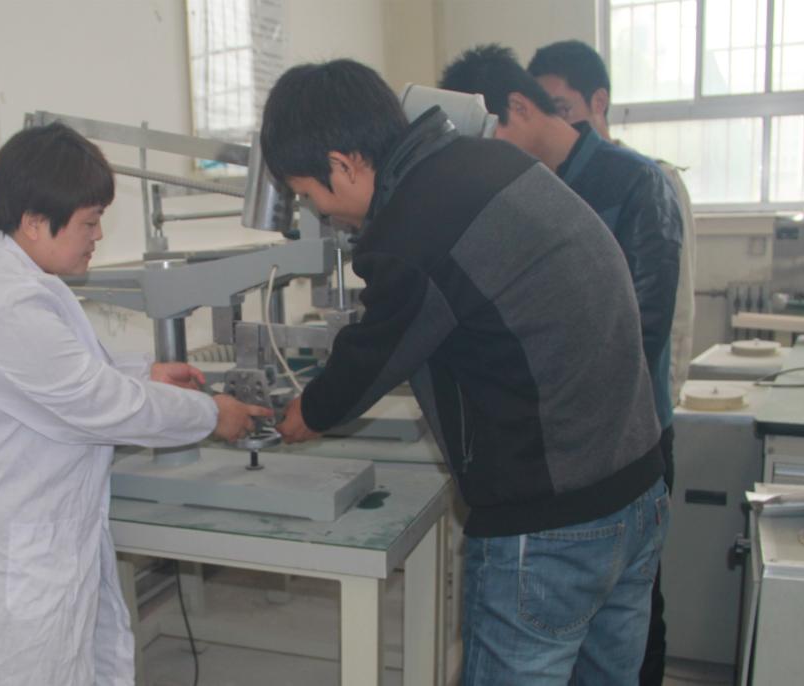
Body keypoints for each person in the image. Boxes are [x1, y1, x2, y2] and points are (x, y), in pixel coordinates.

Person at [263, 58, 669, 685]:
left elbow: (372, 355)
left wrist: (305, 413)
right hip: (637, 487)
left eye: (308, 194)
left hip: (551, 524)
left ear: (342, 164)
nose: (319, 210)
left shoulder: (413, 226)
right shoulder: (490, 161)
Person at [0, 122, 272, 686]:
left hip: (38, 544)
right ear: (35, 221)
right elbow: (98, 403)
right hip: (7, 569)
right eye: (89, 221)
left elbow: (65, 373)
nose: (99, 234)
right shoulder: (4, 306)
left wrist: (146, 372)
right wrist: (212, 415)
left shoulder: (16, 277)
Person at [441, 44, 686, 685]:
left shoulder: (635, 183)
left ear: (518, 107)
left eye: (483, 135)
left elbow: (642, 328)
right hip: (551, 467)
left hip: (625, 448)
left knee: (628, 634)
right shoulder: (515, 191)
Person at [526, 40, 697, 686]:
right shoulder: (548, 185)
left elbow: (667, 321)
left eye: (562, 106)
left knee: (635, 603)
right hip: (574, 438)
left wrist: (655, 413)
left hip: (638, 430)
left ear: (598, 101)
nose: (553, 123)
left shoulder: (646, 182)